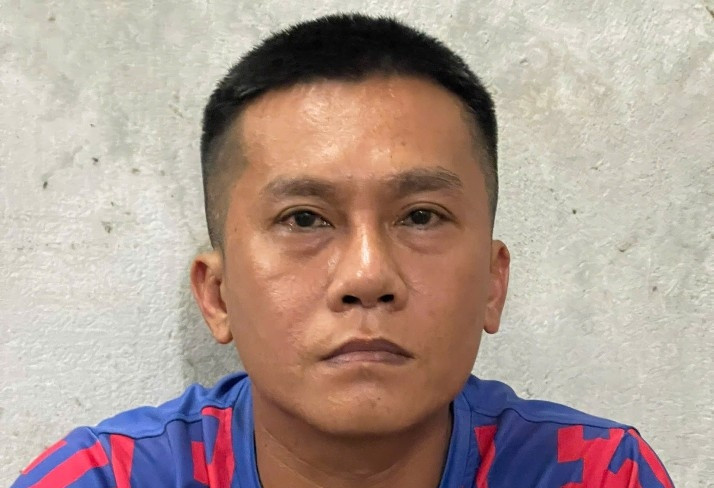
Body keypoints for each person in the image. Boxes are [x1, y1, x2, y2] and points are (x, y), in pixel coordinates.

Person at [11, 13, 674, 488]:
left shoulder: (592, 473)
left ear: (493, 285)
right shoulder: (104, 478)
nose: (367, 275)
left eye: (421, 216)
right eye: (304, 219)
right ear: (217, 295)